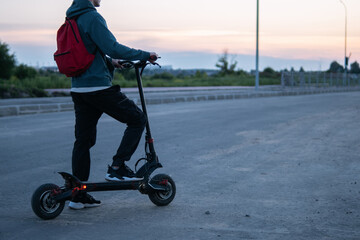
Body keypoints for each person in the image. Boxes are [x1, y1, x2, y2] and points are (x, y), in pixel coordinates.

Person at [65, 0, 158, 210]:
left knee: (83, 140)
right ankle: (117, 167)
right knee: (137, 119)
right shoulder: (92, 17)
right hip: (98, 88)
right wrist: (146, 55)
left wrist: (110, 62)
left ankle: (77, 196)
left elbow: (89, 50)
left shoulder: (72, 18)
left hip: (79, 89)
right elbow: (112, 47)